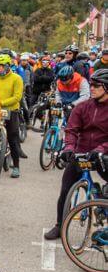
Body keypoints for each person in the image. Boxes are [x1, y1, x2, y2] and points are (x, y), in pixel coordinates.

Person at [43, 68, 108, 239]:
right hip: (81, 151)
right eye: (91, 84)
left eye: (96, 85)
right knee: (65, 189)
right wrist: (69, 148)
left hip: (102, 153)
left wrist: (101, 150)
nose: (91, 88)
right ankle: (59, 225)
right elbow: (71, 129)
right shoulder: (83, 107)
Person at [0, 54, 25, 178]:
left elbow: (17, 97)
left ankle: (16, 166)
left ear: (7, 66)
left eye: (0, 66)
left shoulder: (16, 78)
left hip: (11, 111)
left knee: (13, 140)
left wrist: (1, 103)